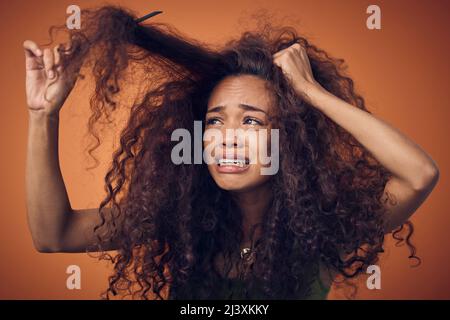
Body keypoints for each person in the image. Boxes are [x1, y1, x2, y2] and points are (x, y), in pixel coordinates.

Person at [24, 5, 439, 300]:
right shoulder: (179, 213)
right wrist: (44, 115)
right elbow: (52, 235)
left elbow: (419, 174)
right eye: (217, 121)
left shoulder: (326, 226)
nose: (227, 138)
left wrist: (310, 93)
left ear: (290, 140)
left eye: (253, 121)